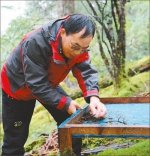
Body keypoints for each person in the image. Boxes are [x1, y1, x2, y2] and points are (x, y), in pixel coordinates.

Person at [1, 13, 107, 156]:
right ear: (63, 32)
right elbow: (36, 84)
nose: (78, 53)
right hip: (17, 88)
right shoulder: (35, 42)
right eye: (75, 47)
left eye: (83, 48)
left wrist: (94, 97)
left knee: (71, 122)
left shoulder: (79, 46)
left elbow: (85, 71)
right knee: (15, 140)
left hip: (47, 84)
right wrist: (66, 103)